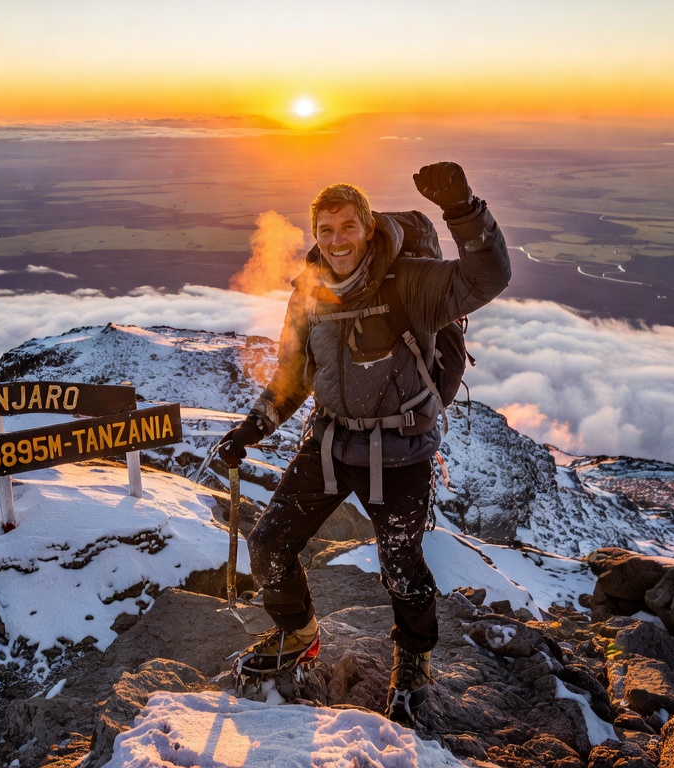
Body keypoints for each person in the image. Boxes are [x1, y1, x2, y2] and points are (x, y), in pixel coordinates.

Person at [218, 162, 511, 722]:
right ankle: (299, 634)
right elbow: (292, 374)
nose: (336, 241)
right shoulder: (311, 290)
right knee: (270, 543)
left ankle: (413, 659)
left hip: (401, 451)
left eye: (347, 227)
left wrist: (463, 210)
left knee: (401, 566)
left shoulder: (410, 281)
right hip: (329, 442)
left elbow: (486, 278)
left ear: (368, 227)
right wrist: (251, 430)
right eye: (324, 231)